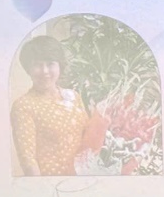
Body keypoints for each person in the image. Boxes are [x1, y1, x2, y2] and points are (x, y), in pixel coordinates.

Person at [9, 35, 104, 177]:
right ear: (28, 69)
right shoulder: (23, 106)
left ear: (59, 65)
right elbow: (28, 160)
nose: (45, 71)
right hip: (52, 187)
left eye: (50, 63)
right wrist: (44, 192)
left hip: (83, 180)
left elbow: (87, 137)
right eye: (37, 64)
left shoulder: (74, 96)